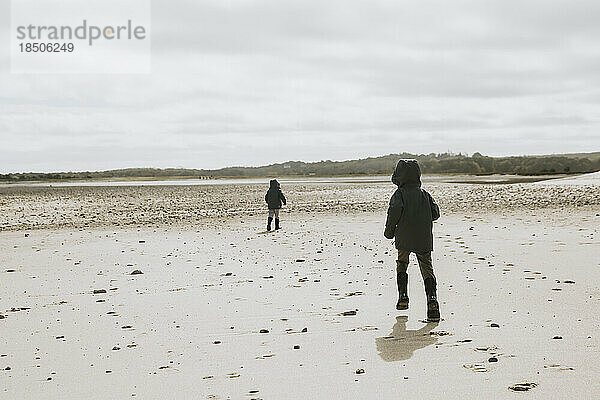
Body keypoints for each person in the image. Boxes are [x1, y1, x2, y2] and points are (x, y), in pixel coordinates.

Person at [384, 159, 441, 321]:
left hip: (404, 236)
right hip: (423, 237)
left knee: (402, 263)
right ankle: (432, 302)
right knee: (427, 267)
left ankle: (403, 297)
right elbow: (435, 214)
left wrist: (389, 232)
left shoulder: (399, 194)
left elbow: (393, 213)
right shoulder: (425, 195)